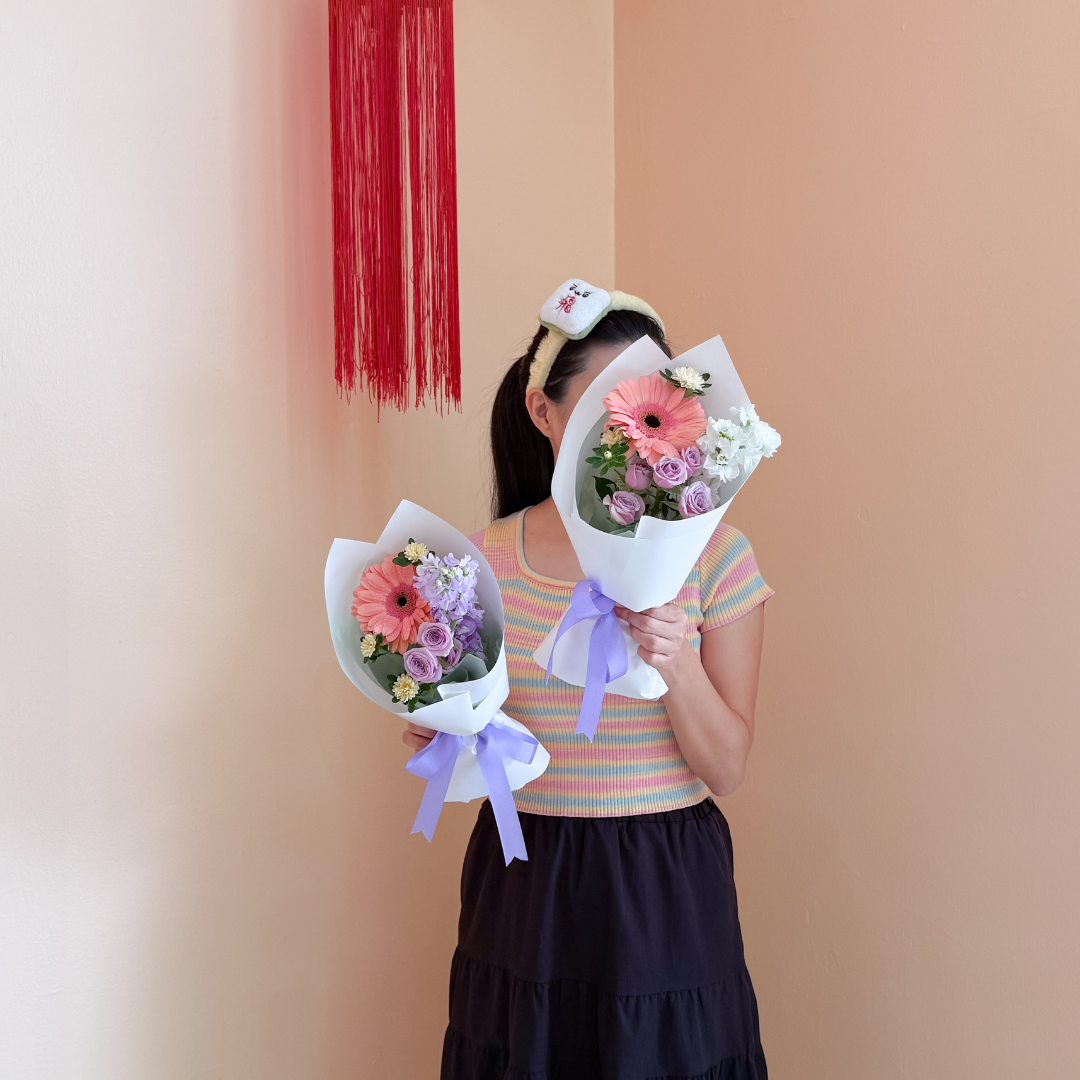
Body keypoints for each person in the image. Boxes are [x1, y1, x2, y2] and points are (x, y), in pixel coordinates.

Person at [405, 287, 773, 1080]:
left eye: (645, 400)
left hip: (664, 882)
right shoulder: (476, 563)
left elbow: (727, 768)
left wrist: (675, 659)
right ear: (542, 412)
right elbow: (486, 746)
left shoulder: (717, 555)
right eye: (604, 400)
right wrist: (449, 730)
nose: (626, 428)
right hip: (528, 880)